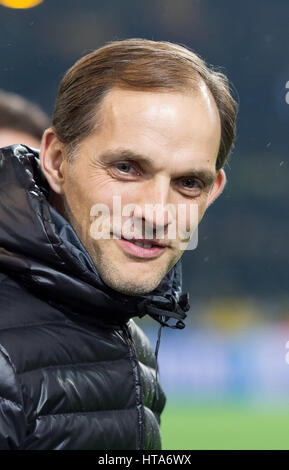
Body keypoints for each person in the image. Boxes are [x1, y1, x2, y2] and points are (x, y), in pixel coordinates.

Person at [0, 38, 237, 450]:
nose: (158, 214)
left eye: (187, 183)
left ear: (212, 192)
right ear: (56, 160)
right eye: (126, 168)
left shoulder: (128, 339)